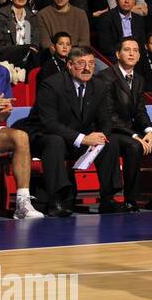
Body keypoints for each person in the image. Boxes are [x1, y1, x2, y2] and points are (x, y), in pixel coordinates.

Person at [14, 45, 123, 216]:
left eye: (91, 63)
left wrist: (100, 136)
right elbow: (49, 123)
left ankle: (108, 199)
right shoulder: (51, 85)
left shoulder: (99, 86)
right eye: (81, 63)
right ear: (70, 65)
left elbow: (106, 120)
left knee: (111, 142)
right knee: (54, 141)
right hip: (42, 136)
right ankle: (56, 200)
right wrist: (83, 138)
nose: (87, 68)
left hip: (75, 137)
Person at [100, 36, 152, 211]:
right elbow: (109, 115)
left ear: (139, 56)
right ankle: (130, 199)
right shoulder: (106, 77)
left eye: (135, 50)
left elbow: (140, 110)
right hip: (114, 132)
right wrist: (136, 136)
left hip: (134, 130)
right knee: (134, 146)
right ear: (117, 54)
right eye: (127, 50)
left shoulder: (138, 79)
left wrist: (148, 131)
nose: (132, 53)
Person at [0, 25, 43, 220]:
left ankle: (22, 203)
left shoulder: (1, 72)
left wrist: (4, 113)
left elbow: (1, 117)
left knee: (20, 137)